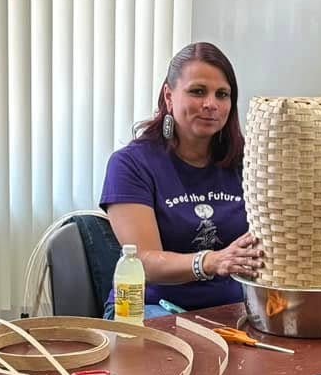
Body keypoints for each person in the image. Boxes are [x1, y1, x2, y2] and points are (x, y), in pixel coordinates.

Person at [102, 43, 263, 313]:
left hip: (232, 309)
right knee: (193, 352)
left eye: (222, 94)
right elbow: (143, 262)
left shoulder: (247, 162)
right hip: (150, 308)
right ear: (168, 96)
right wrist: (211, 262)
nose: (211, 104)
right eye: (197, 91)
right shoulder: (130, 164)